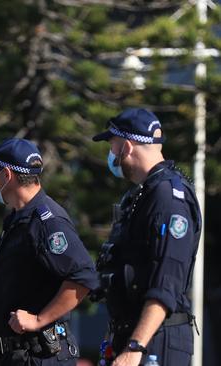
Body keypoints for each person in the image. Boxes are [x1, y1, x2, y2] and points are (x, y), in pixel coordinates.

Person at [92, 108, 201, 366]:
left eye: (113, 146)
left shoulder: (168, 198)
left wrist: (135, 346)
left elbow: (166, 282)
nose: (112, 155)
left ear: (127, 147)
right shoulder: (140, 196)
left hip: (154, 341)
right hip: (133, 334)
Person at [0, 138, 98, 366]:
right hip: (16, 355)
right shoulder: (17, 218)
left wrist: (39, 319)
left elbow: (83, 277)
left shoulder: (47, 222)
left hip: (41, 355)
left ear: (7, 175)